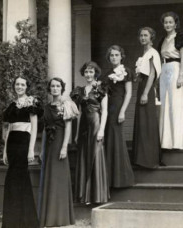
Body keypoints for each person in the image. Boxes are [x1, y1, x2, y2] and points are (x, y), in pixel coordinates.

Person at [2, 75, 42, 228]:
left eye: (22, 85)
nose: (19, 87)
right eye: (17, 84)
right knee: (11, 181)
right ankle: (12, 221)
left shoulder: (31, 103)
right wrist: (5, 152)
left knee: (21, 179)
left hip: (24, 144)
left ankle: (26, 221)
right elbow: (8, 130)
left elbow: (34, 127)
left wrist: (31, 149)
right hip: (12, 145)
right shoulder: (11, 106)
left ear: (27, 87)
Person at [38, 77, 79, 227]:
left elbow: (68, 127)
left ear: (62, 88)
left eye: (58, 86)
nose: (55, 88)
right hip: (48, 144)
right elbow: (44, 128)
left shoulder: (66, 104)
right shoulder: (46, 107)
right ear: (49, 89)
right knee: (50, 176)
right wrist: (42, 149)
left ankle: (61, 217)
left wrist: (64, 147)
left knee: (59, 177)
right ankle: (50, 216)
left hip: (60, 142)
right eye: (52, 86)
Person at [71, 61, 109, 204]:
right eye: (86, 72)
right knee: (83, 156)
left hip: (96, 123)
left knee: (95, 155)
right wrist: (75, 134)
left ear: (96, 73)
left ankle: (97, 196)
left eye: (91, 72)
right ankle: (84, 196)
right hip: (83, 126)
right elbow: (79, 113)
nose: (88, 74)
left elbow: (104, 111)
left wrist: (102, 130)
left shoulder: (101, 88)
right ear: (83, 73)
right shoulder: (80, 90)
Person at [157, 12, 183, 150]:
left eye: (170, 22)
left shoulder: (180, 37)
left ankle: (178, 141)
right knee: (165, 105)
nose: (168, 25)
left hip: (176, 69)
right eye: (166, 22)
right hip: (164, 70)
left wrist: (181, 75)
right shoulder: (162, 40)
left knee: (175, 104)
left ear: (175, 24)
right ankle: (166, 141)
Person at [103, 45, 134, 187]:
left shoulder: (126, 71)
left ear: (121, 56)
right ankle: (110, 178)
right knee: (109, 138)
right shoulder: (107, 73)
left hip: (118, 106)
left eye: (116, 55)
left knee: (117, 137)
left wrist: (123, 111)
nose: (114, 57)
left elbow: (128, 93)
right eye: (111, 55)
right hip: (108, 107)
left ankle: (121, 179)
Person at [133, 27, 162, 168]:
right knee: (141, 120)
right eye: (141, 35)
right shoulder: (143, 53)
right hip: (142, 86)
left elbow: (152, 74)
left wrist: (145, 93)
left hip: (147, 88)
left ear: (151, 37)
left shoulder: (152, 52)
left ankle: (149, 159)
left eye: (146, 35)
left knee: (147, 120)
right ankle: (141, 158)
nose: (143, 38)